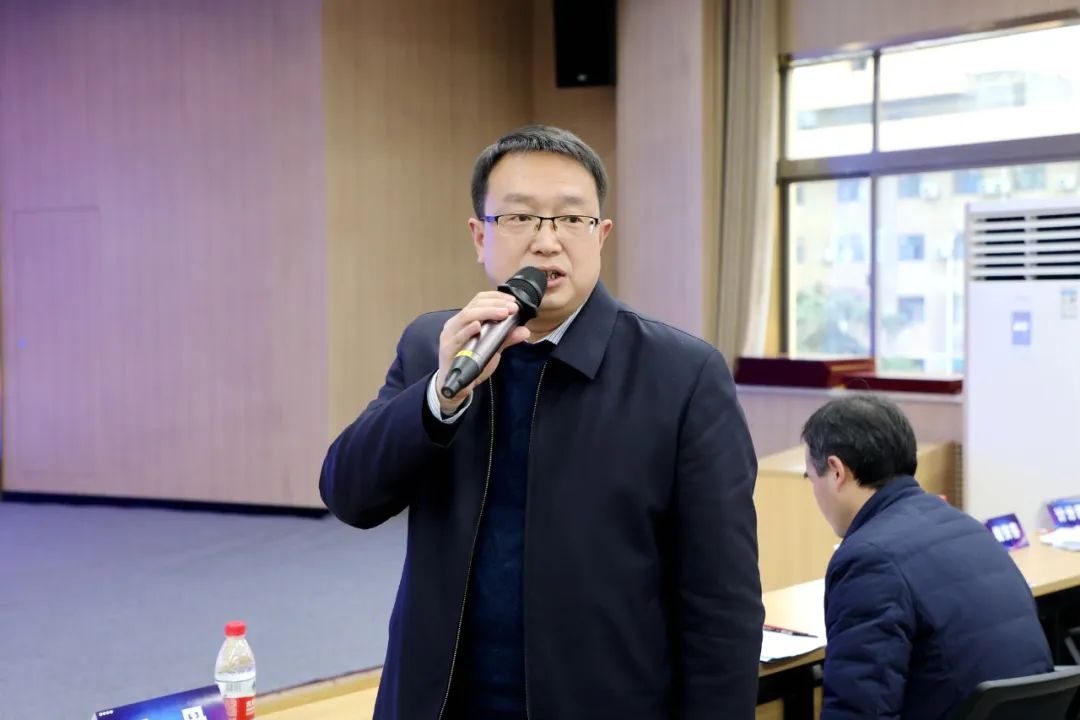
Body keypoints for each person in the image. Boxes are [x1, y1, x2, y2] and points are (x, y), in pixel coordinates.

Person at [320, 125, 763, 720]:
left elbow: (722, 604)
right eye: (520, 218)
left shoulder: (681, 374)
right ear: (480, 236)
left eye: (572, 219)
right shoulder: (435, 346)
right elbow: (349, 494)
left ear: (601, 235)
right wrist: (438, 398)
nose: (547, 241)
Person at [801, 394, 1053, 720]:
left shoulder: (868, 559)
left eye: (811, 478)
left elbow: (859, 711)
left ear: (836, 471)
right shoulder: (968, 527)